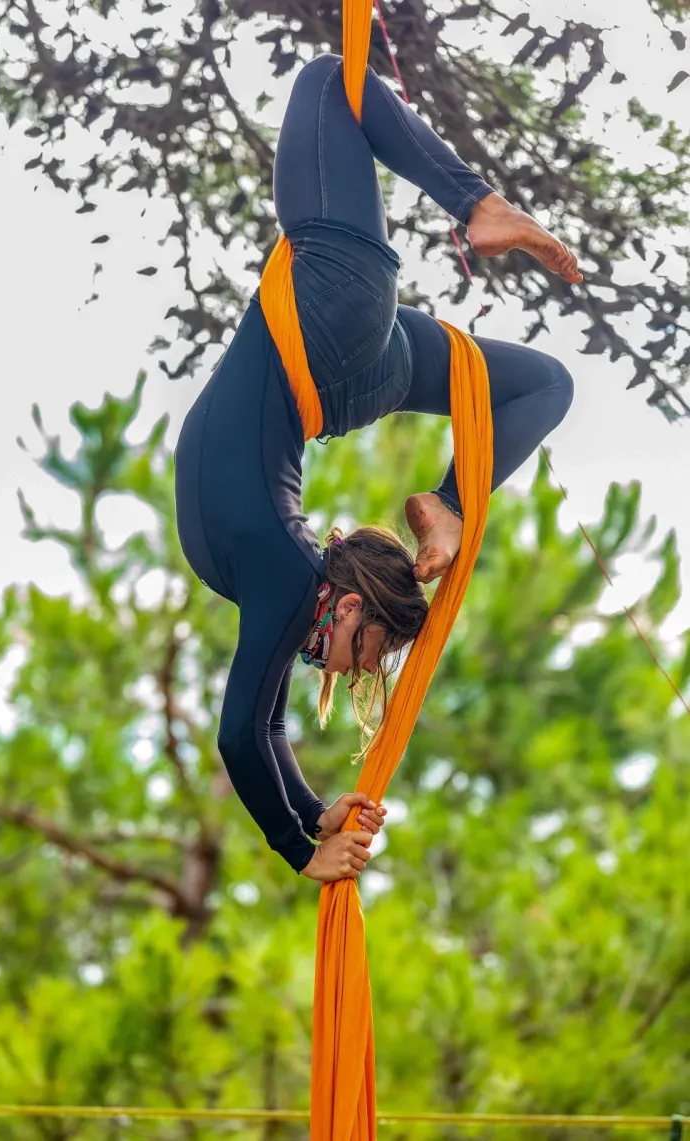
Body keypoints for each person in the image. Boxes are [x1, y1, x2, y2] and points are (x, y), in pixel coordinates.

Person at [174, 53, 579, 885]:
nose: (345, 665)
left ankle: (449, 498)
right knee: (330, 79)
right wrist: (300, 850)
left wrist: (315, 814)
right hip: (330, 322)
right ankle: (480, 208)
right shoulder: (288, 579)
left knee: (545, 385)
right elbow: (241, 735)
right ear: (349, 601)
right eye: (365, 649)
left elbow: (265, 729)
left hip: (352, 371)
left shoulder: (281, 581)